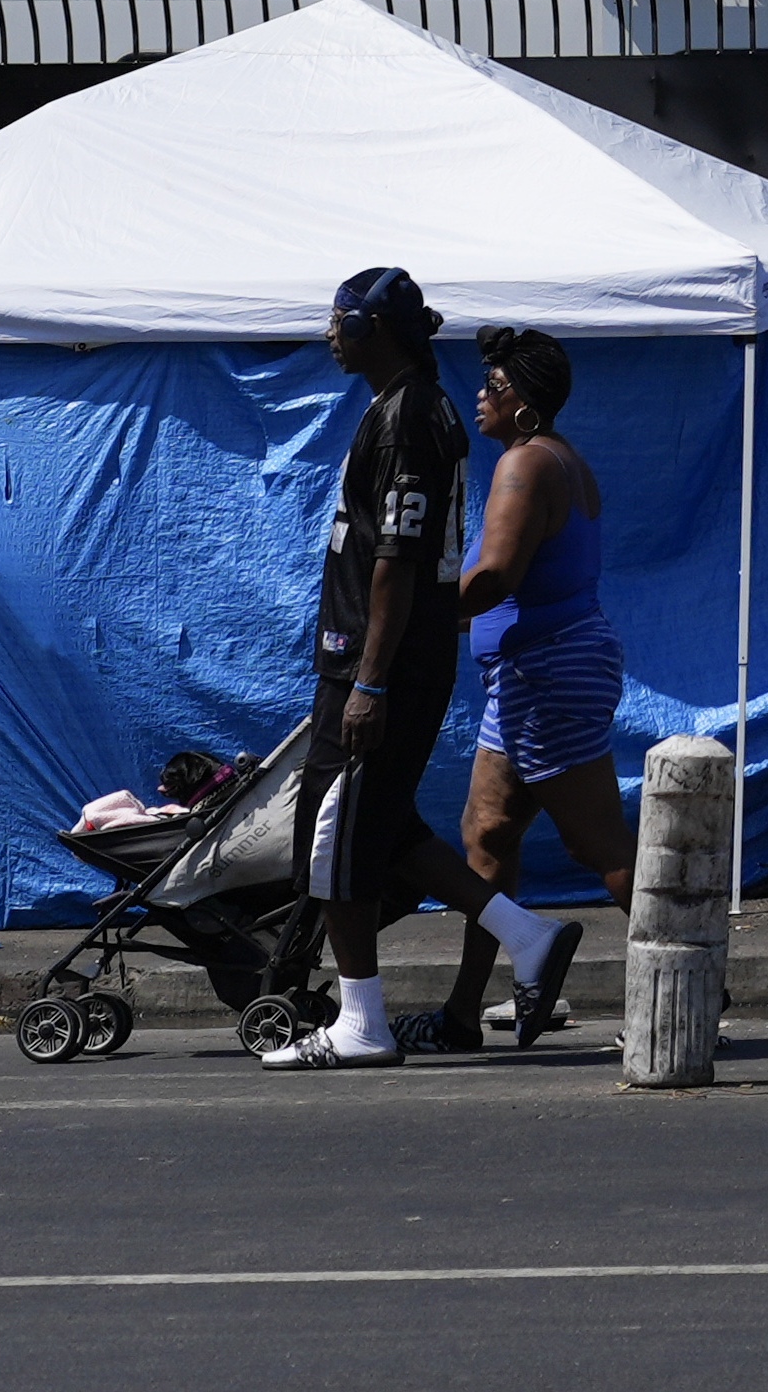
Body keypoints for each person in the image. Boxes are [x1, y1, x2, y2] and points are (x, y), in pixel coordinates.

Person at [262, 266, 578, 1070]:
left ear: (376, 329)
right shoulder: (407, 408)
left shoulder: (409, 418)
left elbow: (398, 561)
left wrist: (368, 679)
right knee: (389, 828)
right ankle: (526, 935)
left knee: (333, 838)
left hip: (380, 665)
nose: (329, 330)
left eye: (341, 317)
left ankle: (360, 1023)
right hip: (390, 659)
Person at [417, 325, 625, 1050]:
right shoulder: (549, 458)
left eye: (494, 386)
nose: (480, 395)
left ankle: (697, 982)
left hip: (546, 671)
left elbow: (497, 575)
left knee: (600, 846)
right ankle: (461, 1014)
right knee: (487, 835)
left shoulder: (527, 465)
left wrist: (414, 614)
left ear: (525, 404)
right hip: (531, 672)